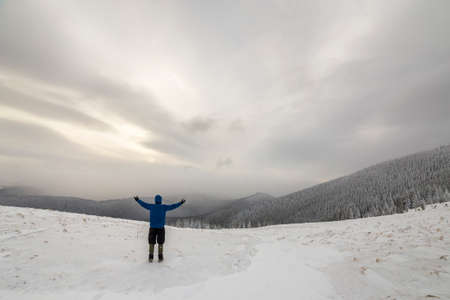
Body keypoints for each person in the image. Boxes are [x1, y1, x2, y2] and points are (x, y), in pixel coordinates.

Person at [134, 194, 185, 262]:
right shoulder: (163, 207)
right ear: (160, 200)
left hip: (152, 227)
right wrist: (180, 203)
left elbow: (143, 204)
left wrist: (138, 200)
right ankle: (160, 257)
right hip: (161, 228)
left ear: (155, 200)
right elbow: (173, 206)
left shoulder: (151, 206)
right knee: (160, 242)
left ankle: (150, 257)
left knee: (151, 242)